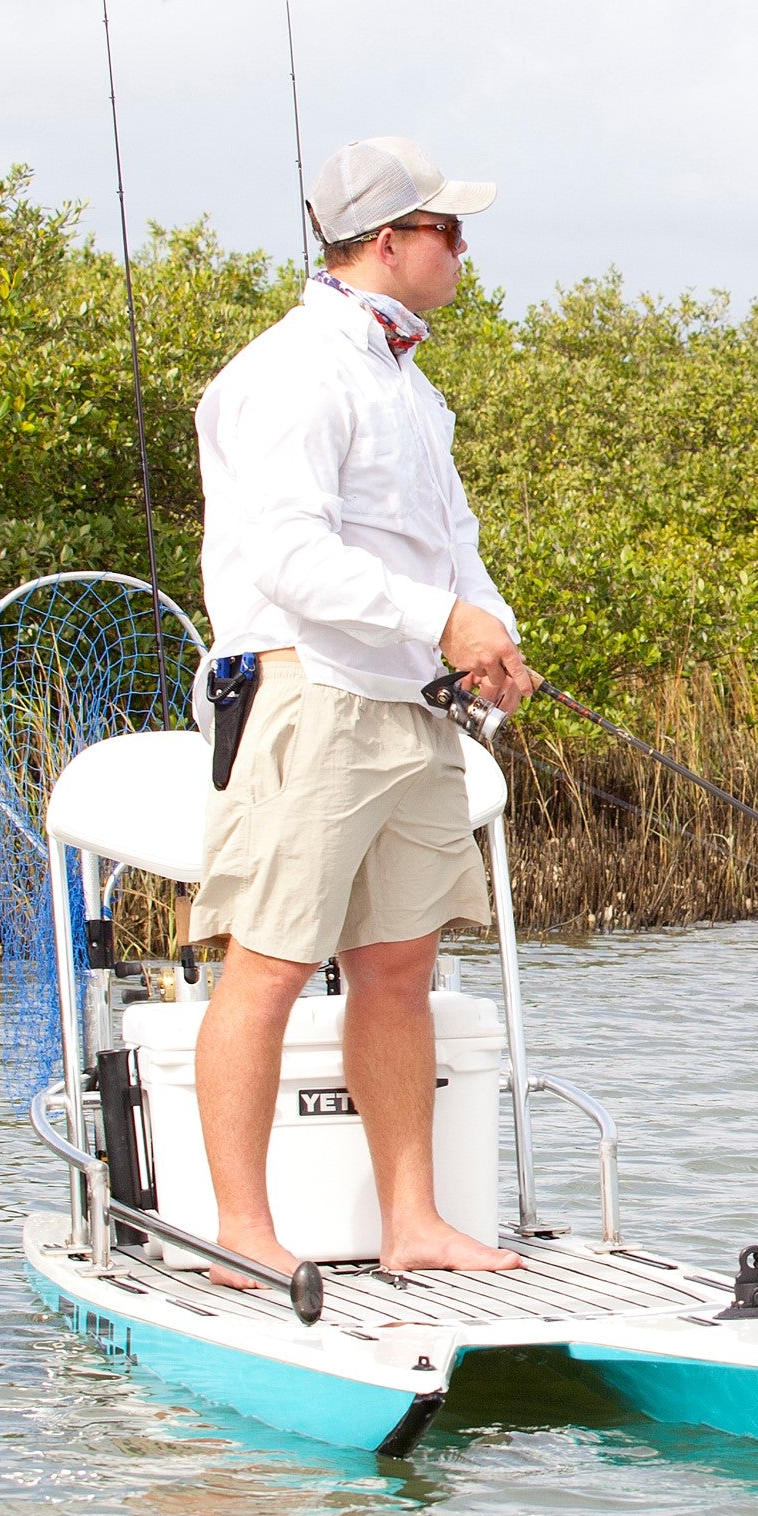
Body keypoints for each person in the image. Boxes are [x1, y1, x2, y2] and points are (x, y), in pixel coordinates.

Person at [187, 136, 536, 1279]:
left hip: (409, 706)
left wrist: (489, 633)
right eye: (446, 230)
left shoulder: (410, 384)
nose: (463, 249)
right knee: (271, 963)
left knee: (400, 965)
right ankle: (242, 1233)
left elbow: (453, 544)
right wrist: (441, 621)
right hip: (308, 694)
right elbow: (289, 555)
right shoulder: (291, 370)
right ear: (388, 243)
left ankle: (414, 1224)